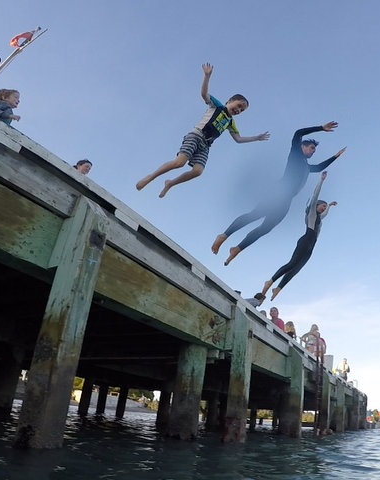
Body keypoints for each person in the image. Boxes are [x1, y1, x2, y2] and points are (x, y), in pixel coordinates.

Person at [212, 122, 345, 266]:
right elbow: (298, 132)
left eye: (314, 150)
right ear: (302, 146)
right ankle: (224, 235)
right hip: (279, 192)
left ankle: (237, 249)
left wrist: (335, 156)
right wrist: (321, 128)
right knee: (254, 215)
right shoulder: (295, 153)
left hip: (287, 200)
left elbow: (319, 167)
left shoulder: (307, 167)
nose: (313, 151)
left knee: (265, 228)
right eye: (312, 148)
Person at [136, 63, 269, 198]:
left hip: (206, 146)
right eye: (238, 105)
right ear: (229, 101)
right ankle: (151, 177)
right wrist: (206, 76)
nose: (238, 110)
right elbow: (204, 94)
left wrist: (256, 137)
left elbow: (238, 139)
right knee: (179, 163)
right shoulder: (218, 106)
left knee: (198, 171)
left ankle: (170, 183)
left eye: (241, 110)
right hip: (196, 135)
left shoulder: (230, 122)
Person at [259, 171, 337, 301]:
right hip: (305, 240)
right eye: (322, 206)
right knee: (292, 263)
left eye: (324, 208)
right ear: (316, 205)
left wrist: (329, 205)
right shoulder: (312, 212)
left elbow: (325, 214)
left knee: (297, 269)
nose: (323, 209)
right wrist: (321, 180)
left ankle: (278, 288)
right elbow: (315, 195)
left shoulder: (319, 218)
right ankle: (270, 281)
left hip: (311, 246)